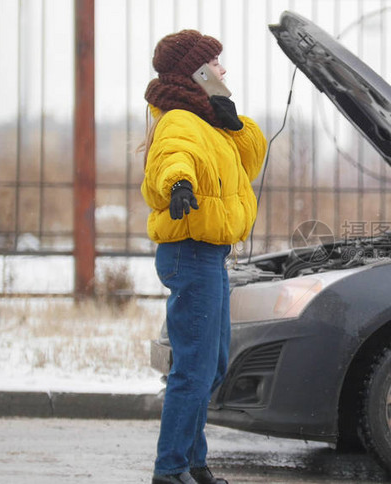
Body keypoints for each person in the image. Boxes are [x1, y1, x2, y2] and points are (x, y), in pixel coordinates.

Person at [141, 29, 267, 484]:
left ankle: (193, 462)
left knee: (209, 366)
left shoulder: (207, 121)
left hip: (207, 255)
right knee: (193, 370)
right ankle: (170, 469)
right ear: (196, 71)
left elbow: (248, 165)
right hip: (190, 252)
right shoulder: (179, 120)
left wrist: (233, 122)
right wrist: (179, 186)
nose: (223, 70)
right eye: (216, 63)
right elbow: (173, 158)